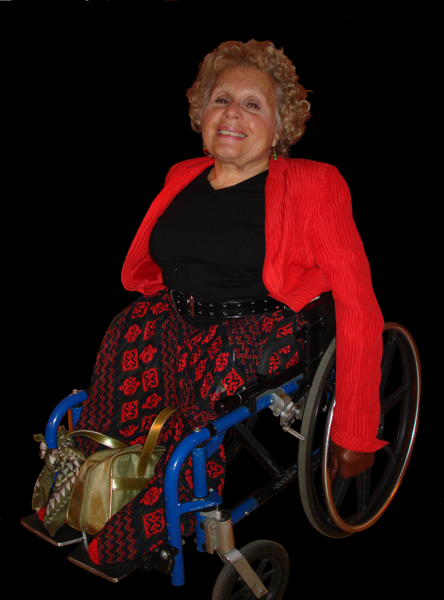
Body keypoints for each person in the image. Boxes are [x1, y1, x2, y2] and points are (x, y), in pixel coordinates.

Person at [49, 40, 386, 566]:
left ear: (280, 128)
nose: (233, 112)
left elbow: (359, 304)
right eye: (221, 99)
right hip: (177, 315)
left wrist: (355, 428)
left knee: (191, 410)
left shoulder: (315, 184)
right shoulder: (182, 175)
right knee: (123, 344)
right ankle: (92, 490)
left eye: (254, 104)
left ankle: (144, 526)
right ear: (201, 113)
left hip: (254, 329)